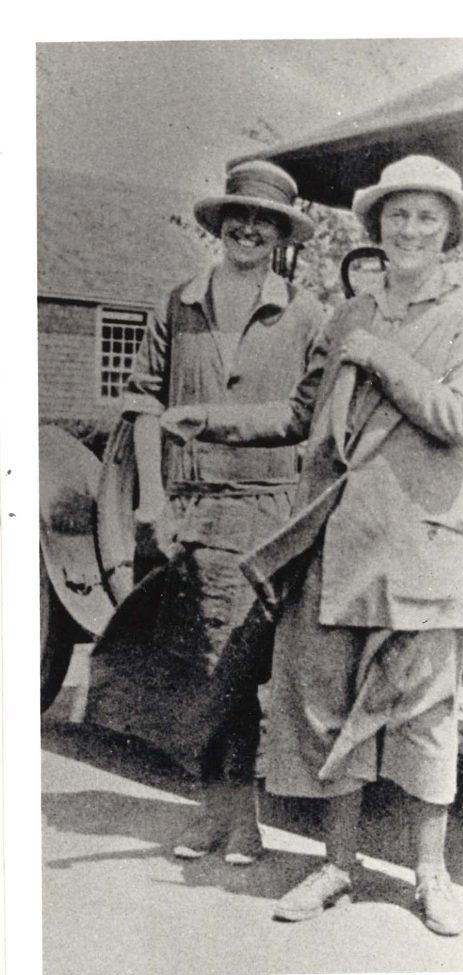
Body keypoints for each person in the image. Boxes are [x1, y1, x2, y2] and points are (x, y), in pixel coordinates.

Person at [161, 155, 463, 935]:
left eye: (425, 217)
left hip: (424, 543)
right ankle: (337, 866)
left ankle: (430, 874)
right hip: (338, 540)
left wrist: (382, 356)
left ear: (448, 229)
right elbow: (299, 415)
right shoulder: (350, 313)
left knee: (423, 714)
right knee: (326, 712)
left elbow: (457, 420)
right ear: (375, 227)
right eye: (396, 217)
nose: (409, 230)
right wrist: (206, 417)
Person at [123, 160, 324, 864]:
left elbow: (307, 419)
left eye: (263, 220)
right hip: (188, 508)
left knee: (240, 666)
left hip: (266, 511)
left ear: (279, 234)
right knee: (196, 666)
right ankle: (217, 813)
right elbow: (145, 404)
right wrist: (151, 494)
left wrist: (213, 421)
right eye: (236, 216)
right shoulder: (178, 303)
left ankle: (241, 820)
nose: (248, 227)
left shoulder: (304, 314)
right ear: (218, 227)